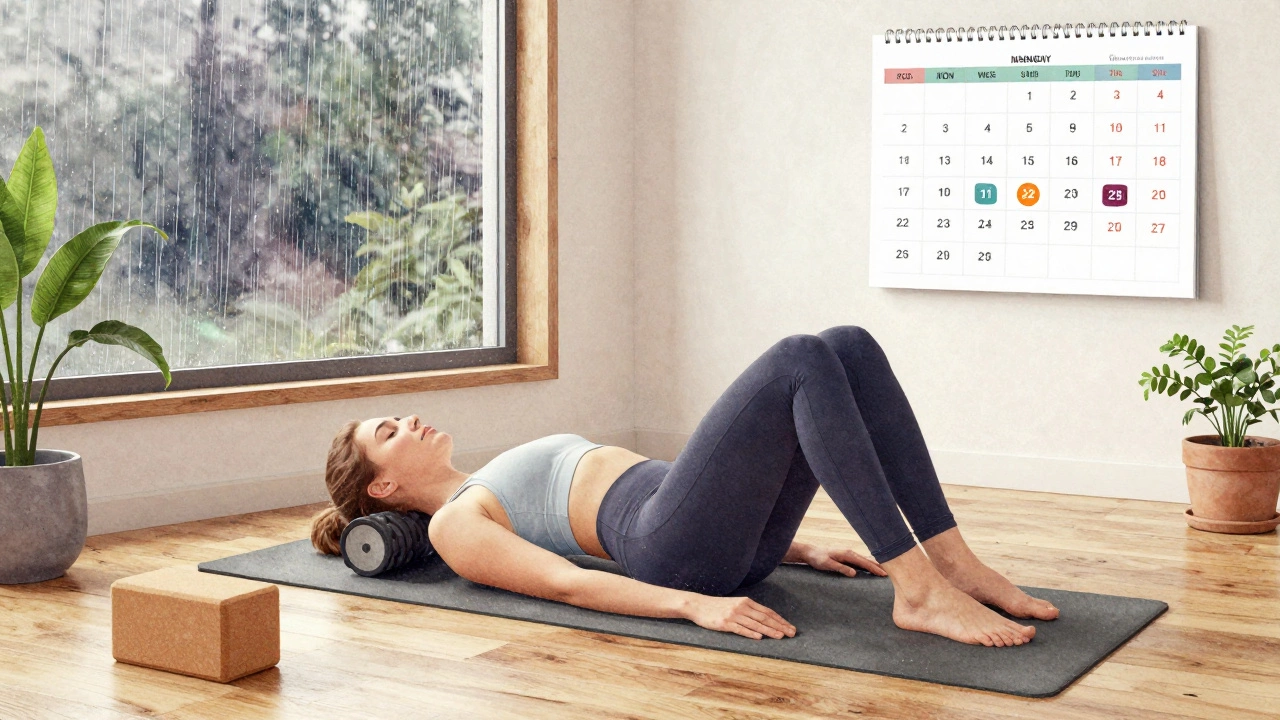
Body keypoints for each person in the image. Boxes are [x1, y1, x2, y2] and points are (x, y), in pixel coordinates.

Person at [311, 326, 1059, 647]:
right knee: (799, 355)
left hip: (705, 528)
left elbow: (708, 486)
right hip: (670, 550)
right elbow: (568, 585)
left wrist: (796, 549)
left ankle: (950, 558)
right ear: (381, 488)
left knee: (846, 347)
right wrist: (692, 605)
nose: (408, 419)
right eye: (388, 432)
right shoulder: (453, 524)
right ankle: (919, 588)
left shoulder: (482, 479)